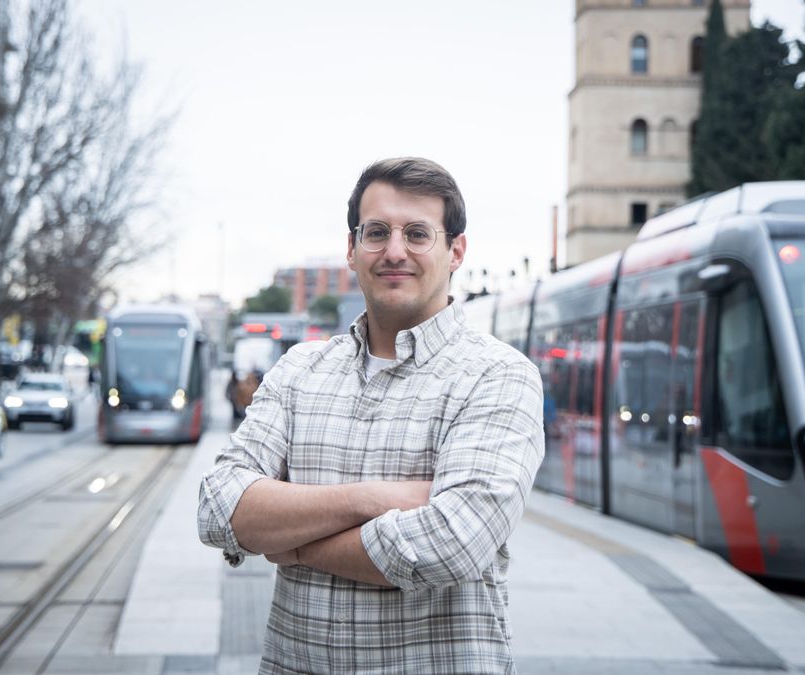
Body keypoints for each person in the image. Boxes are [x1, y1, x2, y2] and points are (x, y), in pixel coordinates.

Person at [198, 157, 545, 674]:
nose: (395, 251)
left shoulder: (497, 376)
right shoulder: (299, 369)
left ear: (456, 251)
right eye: (377, 232)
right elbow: (218, 507)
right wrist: (377, 500)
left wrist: (294, 544)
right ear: (352, 249)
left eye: (418, 234)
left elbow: (450, 546)